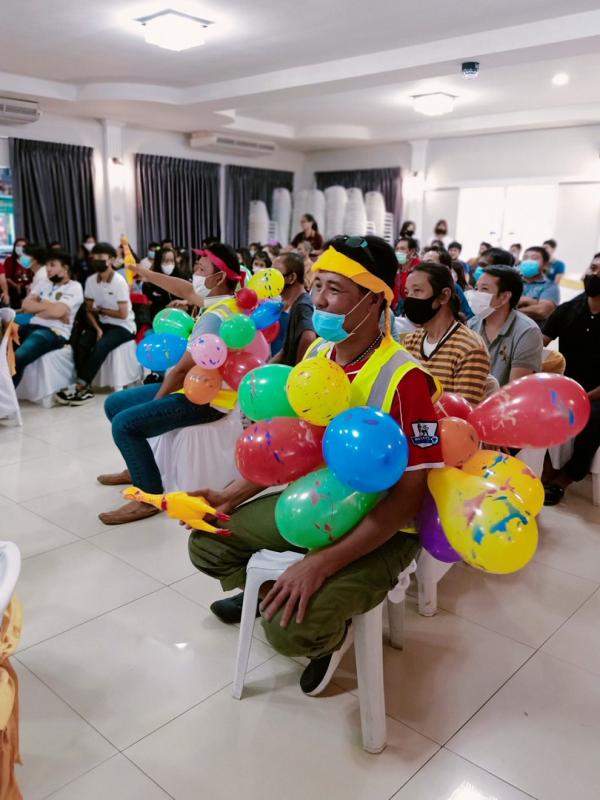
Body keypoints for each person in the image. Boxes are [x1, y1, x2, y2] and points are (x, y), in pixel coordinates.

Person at [188, 235, 443, 695]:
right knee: (208, 542)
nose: (319, 300)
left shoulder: (404, 379)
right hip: (315, 504)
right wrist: (229, 494)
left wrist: (322, 564)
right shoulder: (317, 356)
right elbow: (291, 445)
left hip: (383, 522)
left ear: (375, 299)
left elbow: (410, 497)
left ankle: (331, 635)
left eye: (334, 289)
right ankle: (265, 593)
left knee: (290, 634)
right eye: (317, 284)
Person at [96, 244, 243, 525]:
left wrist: (159, 401)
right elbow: (184, 289)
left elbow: (181, 370)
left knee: (125, 424)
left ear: (219, 277)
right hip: (194, 387)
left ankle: (148, 497)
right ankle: (137, 468)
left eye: (201, 269)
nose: (195, 272)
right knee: (114, 404)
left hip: (207, 400)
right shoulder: (223, 301)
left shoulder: (215, 317)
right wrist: (145, 273)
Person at [541, 254, 600, 505]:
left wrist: (586, 396)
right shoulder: (569, 310)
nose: (595, 275)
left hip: (596, 392)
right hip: (566, 385)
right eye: (593, 268)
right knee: (540, 407)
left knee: (594, 417)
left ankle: (568, 475)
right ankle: (544, 468)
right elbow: (540, 343)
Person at [56, 243, 136, 405]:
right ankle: (83, 382)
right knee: (82, 343)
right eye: (95, 257)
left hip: (124, 326)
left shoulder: (119, 281)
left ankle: (81, 385)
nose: (96, 260)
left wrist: (101, 311)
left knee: (102, 346)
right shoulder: (91, 280)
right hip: (102, 323)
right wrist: (97, 329)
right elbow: (88, 309)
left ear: (111, 259)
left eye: (101, 257)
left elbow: (122, 314)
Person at [403, 263, 490, 404]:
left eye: (417, 291)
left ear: (444, 296)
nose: (410, 298)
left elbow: (464, 411)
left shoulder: (470, 348)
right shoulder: (410, 340)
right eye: (407, 293)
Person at [13, 250, 83, 386]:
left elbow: (57, 312)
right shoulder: (44, 283)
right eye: (47, 265)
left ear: (65, 268)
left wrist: (39, 306)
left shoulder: (74, 287)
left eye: (52, 265)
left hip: (53, 332)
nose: (48, 269)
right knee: (4, 349)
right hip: (31, 325)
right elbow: (25, 306)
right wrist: (51, 308)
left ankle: (6, 396)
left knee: (18, 357)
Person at [467, 265, 543, 386]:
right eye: (476, 288)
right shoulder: (472, 324)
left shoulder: (527, 332)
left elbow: (516, 388)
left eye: (484, 289)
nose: (476, 294)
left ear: (504, 297)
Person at [271, 252, 316, 366]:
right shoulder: (294, 303)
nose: (270, 278)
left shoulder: (303, 305)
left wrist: (298, 369)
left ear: (291, 278)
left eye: (275, 273)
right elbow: (285, 351)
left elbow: (309, 337)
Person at [421, 248, 474, 319]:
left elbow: (468, 315)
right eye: (423, 263)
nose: (424, 267)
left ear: (445, 267)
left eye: (429, 262)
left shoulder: (454, 288)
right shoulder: (418, 286)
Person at [517, 246, 560, 325]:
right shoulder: (512, 280)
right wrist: (534, 302)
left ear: (545, 264)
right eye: (525, 258)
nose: (528, 261)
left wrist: (510, 311)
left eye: (534, 258)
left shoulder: (550, 286)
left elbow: (542, 311)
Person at [143, 247, 187, 319]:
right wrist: (167, 308)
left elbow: (191, 297)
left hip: (180, 317)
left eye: (172, 261)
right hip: (159, 318)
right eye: (166, 261)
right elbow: (149, 306)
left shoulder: (182, 277)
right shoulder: (149, 283)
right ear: (158, 262)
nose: (170, 264)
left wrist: (184, 302)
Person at [392, 236, 421, 313]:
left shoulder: (419, 269)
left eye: (402, 249)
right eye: (397, 249)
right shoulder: (396, 267)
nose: (398, 252)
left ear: (412, 251)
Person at [3, 238, 30, 308]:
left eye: (23, 246)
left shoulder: (30, 259)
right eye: (18, 246)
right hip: (13, 289)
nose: (20, 248)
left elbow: (33, 275)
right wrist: (16, 285)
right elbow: (6, 277)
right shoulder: (9, 260)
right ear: (14, 247)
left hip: (29, 289)